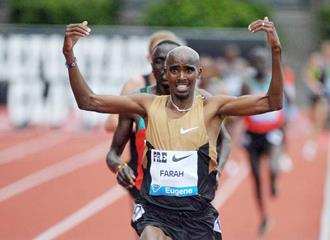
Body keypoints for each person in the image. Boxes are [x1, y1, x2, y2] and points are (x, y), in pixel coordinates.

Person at [63, 17, 283, 239]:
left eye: (188, 70)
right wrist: (70, 56)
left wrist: (275, 50)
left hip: (198, 214)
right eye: (174, 70)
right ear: (164, 72)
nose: (181, 77)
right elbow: (89, 101)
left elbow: (271, 102)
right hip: (156, 211)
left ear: (198, 73)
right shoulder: (146, 103)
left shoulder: (212, 105)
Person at [106, 40, 231, 200]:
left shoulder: (202, 100)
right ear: (152, 66)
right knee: (146, 223)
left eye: (171, 62)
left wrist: (217, 172)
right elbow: (113, 154)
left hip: (189, 193)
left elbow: (225, 140)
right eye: (159, 62)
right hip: (147, 191)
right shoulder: (137, 102)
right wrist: (120, 167)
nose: (165, 68)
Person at [240, 47, 285, 236]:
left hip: (273, 132)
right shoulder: (246, 82)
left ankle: (274, 180)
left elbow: (285, 101)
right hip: (252, 134)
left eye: (263, 61)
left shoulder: (273, 80)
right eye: (257, 61)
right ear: (252, 64)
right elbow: (239, 105)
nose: (260, 65)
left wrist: (286, 128)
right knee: (256, 177)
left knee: (273, 168)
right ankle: (263, 216)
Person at [104, 30, 178, 132]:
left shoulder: (184, 87)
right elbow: (111, 123)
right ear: (149, 58)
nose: (164, 62)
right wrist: (142, 124)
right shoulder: (136, 84)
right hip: (141, 147)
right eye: (158, 53)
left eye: (169, 54)